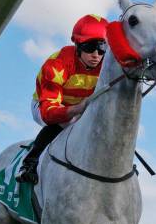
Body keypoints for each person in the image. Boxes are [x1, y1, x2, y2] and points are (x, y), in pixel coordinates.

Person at [16, 14, 109, 184]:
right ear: (78, 46)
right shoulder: (57, 64)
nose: (96, 54)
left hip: (82, 106)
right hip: (46, 105)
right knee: (67, 121)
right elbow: (48, 113)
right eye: (90, 47)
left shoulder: (106, 63)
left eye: (102, 48)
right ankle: (29, 163)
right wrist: (75, 109)